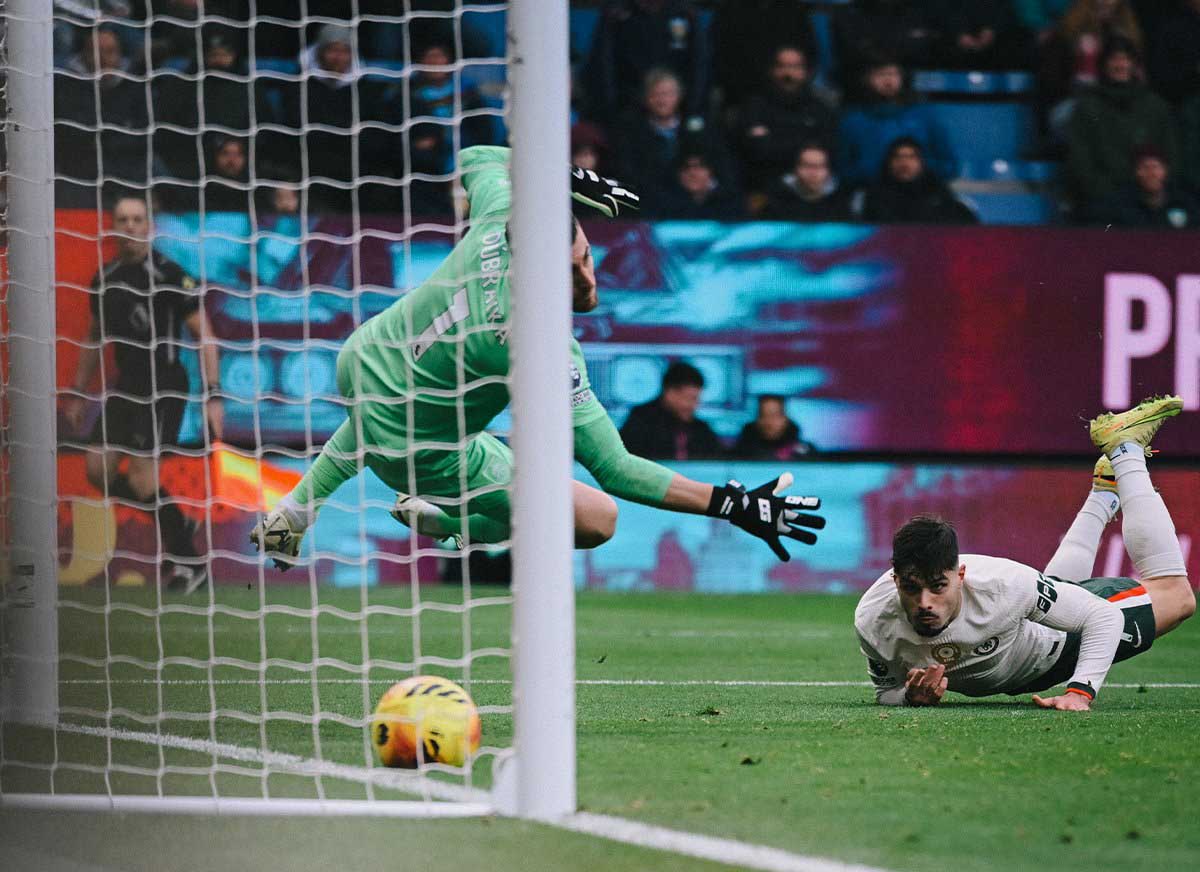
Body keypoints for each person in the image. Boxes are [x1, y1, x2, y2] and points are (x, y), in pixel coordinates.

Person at [251, 148, 825, 569]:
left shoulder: (501, 224)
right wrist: (733, 504)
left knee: (409, 412)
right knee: (595, 518)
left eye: (584, 256)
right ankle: (448, 521)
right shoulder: (535, 344)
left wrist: (561, 177)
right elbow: (619, 471)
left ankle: (297, 512)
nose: (583, 278)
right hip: (420, 453)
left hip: (366, 360)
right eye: (567, 270)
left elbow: (478, 155)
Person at [855, 395, 1194, 710]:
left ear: (960, 576)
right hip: (1030, 639)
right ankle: (1105, 491)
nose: (925, 602)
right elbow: (886, 693)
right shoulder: (873, 618)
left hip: (1061, 646)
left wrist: (1079, 692)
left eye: (938, 586)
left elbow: (1104, 618)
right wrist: (912, 697)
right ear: (895, 579)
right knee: (1058, 586)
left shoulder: (1003, 584)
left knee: (1178, 598)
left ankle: (1126, 451)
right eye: (912, 588)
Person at [62, 196, 224, 594]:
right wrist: (78, 391)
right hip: (127, 385)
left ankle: (192, 564)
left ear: (148, 225)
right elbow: (94, 336)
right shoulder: (105, 277)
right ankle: (174, 520)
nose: (130, 226)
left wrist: (214, 394)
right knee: (96, 470)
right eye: (123, 219)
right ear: (113, 225)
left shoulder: (169, 273)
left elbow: (204, 336)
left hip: (164, 384)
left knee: (141, 476)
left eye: (137, 219)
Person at [1066, 38, 1179, 219]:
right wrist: (1107, 193)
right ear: (1104, 65)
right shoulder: (1087, 108)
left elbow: (1171, 155)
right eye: (1115, 59)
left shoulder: (1156, 107)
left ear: (1135, 65)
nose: (1121, 65)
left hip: (1150, 203)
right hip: (1103, 202)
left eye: (1126, 59)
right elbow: (1080, 160)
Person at [54, 26, 150, 207]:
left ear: (120, 54)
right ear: (84, 54)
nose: (103, 58)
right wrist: (116, 128)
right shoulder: (65, 85)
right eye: (96, 51)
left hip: (126, 164)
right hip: (79, 168)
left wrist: (102, 135)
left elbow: (142, 133)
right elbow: (68, 134)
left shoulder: (135, 84)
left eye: (110, 51)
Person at [614, 68, 736, 204]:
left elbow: (722, 167)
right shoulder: (632, 133)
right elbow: (629, 174)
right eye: (655, 94)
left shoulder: (702, 130)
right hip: (653, 205)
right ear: (646, 98)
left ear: (679, 96)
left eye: (668, 94)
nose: (662, 100)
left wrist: (708, 184)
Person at [583, 0, 709, 128]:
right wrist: (612, 110)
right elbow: (603, 66)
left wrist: (692, 107)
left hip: (679, 113)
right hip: (628, 111)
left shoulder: (685, 13)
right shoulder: (616, 14)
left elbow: (699, 65)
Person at [836, 56, 956, 189]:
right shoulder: (853, 121)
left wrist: (916, 169)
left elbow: (949, 166)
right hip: (872, 195)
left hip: (920, 194)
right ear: (867, 78)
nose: (888, 80)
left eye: (893, 74)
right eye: (880, 74)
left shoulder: (925, 115)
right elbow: (843, 170)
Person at [733, 45, 838, 195]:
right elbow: (755, 151)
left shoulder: (821, 110)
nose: (788, 74)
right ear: (772, 70)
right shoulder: (754, 107)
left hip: (809, 189)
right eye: (782, 66)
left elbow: (824, 152)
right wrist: (801, 142)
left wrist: (773, 142)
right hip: (761, 188)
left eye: (795, 67)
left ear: (806, 72)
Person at [856, 137, 978, 225]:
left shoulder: (940, 195)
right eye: (898, 157)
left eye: (911, 157)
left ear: (922, 162)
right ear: (889, 163)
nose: (904, 163)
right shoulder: (873, 197)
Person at [619, 361, 725, 461]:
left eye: (697, 399)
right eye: (690, 398)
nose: (694, 405)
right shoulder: (640, 423)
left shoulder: (700, 429)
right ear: (670, 393)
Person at [1093, 146, 1200, 228]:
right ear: (1136, 172)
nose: (1151, 173)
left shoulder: (1184, 203)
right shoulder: (1120, 207)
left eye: (1155, 167)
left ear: (1165, 171)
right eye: (1145, 168)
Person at [761, 143, 853, 222]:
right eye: (807, 166)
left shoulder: (841, 208)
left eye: (820, 166)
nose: (813, 173)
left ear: (828, 171)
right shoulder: (775, 206)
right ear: (795, 169)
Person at [650, 150, 745, 221]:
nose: (692, 173)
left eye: (699, 167)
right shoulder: (666, 204)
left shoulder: (730, 201)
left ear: (710, 172)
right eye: (686, 168)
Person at [732, 395, 816, 461]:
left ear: (786, 418)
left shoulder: (805, 453)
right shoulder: (740, 453)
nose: (769, 422)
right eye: (763, 416)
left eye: (775, 415)